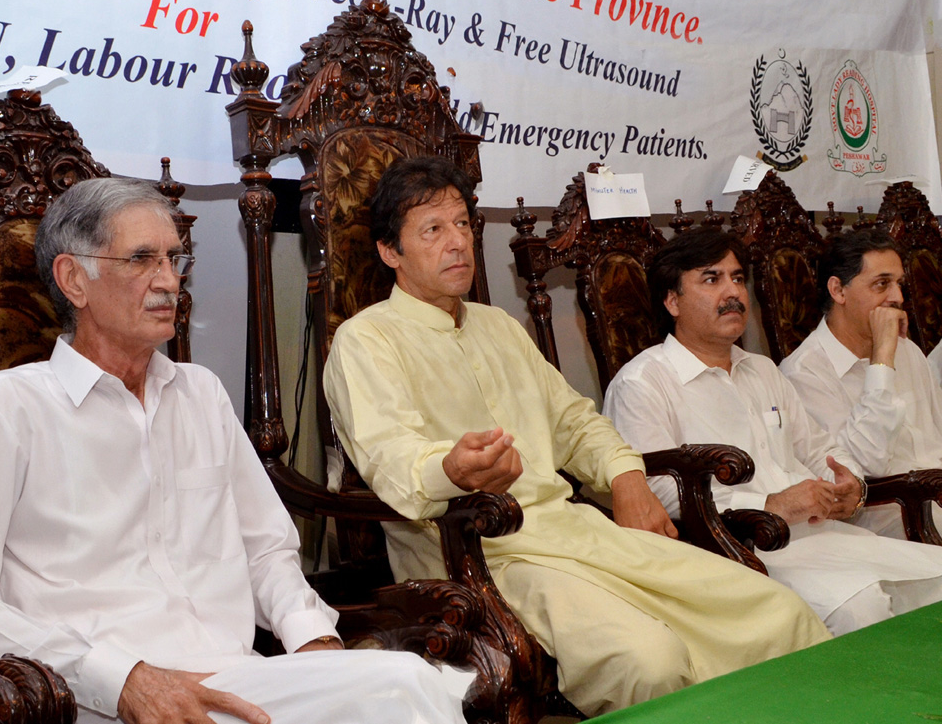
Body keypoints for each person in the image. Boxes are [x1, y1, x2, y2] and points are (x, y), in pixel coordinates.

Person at [0, 179, 470, 724]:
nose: (169, 283)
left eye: (174, 260)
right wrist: (121, 678)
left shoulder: (200, 392)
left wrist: (314, 645)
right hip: (98, 699)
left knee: (409, 684)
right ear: (73, 280)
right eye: (141, 259)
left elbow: (265, 549)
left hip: (240, 681)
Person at [323, 156, 829, 717]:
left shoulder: (500, 327)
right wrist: (452, 469)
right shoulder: (365, 341)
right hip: (476, 551)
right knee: (649, 661)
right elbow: (392, 457)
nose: (457, 243)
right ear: (390, 252)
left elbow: (574, 421)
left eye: (464, 224)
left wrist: (624, 474)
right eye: (433, 230)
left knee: (778, 611)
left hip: (574, 530)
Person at [603, 227, 942, 637]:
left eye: (738, 278)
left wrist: (850, 481)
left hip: (822, 535)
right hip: (739, 548)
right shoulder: (643, 382)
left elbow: (819, 449)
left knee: (935, 580)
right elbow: (655, 492)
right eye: (712, 279)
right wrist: (771, 503)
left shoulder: (761, 369)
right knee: (861, 605)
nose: (733, 293)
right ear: (672, 301)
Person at [779, 230, 942, 538]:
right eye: (882, 284)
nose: (898, 298)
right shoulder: (803, 373)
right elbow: (865, 468)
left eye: (899, 284)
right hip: (889, 521)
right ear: (838, 290)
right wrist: (882, 360)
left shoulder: (908, 350)